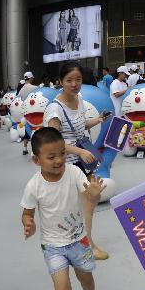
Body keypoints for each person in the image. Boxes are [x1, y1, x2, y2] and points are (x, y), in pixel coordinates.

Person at [21, 127, 108, 290]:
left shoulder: (74, 173)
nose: (58, 160)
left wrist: (95, 193)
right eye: (51, 157)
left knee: (86, 279)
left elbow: (88, 194)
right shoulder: (34, 186)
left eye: (61, 153)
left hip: (79, 240)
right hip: (53, 247)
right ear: (36, 160)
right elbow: (27, 212)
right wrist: (28, 223)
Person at [44, 61, 112, 261]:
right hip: (68, 166)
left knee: (88, 203)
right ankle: (87, 245)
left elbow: (81, 126)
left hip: (83, 162)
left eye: (78, 80)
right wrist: (78, 152)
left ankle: (83, 243)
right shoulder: (54, 109)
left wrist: (98, 119)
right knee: (86, 203)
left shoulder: (78, 100)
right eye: (69, 80)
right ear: (60, 82)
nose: (74, 84)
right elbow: (53, 142)